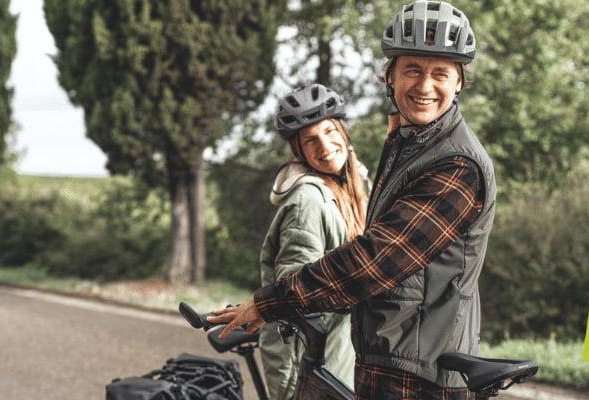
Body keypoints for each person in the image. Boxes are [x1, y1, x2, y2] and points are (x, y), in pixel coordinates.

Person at [210, 2, 495, 399]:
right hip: (392, 358)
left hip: (420, 374)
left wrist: (270, 302)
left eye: (440, 73)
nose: (425, 86)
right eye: (412, 69)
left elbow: (378, 259)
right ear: (389, 75)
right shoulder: (413, 144)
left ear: (460, 82)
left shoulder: (456, 165)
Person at [259, 84, 367, 400]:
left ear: (344, 133)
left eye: (329, 131)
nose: (324, 145)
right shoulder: (309, 201)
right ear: (300, 152)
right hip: (316, 358)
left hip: (346, 349)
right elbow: (294, 290)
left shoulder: (356, 189)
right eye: (311, 140)